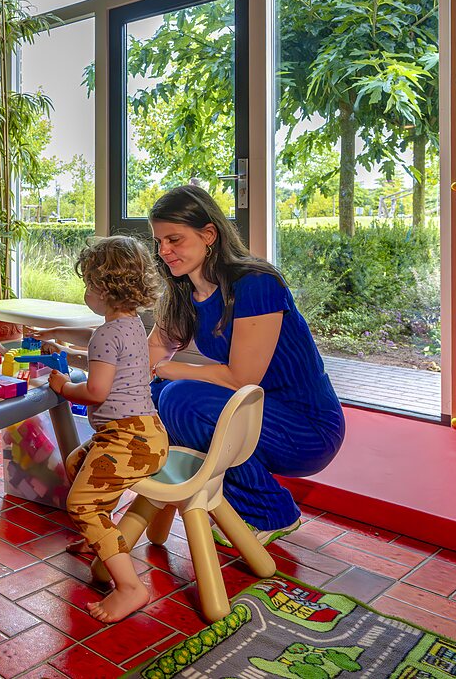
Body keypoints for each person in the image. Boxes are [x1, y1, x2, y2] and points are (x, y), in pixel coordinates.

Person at [146, 185, 345, 544]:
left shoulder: (256, 284)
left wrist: (166, 371)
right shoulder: (184, 293)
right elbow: (156, 347)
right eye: (159, 241)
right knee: (155, 394)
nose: (164, 251)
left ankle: (269, 512)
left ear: (209, 234)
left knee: (179, 398)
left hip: (305, 428)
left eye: (174, 239)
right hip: (255, 413)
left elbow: (241, 379)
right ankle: (202, 496)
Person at [46, 235, 168, 623]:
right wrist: (67, 348)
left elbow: (96, 391)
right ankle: (97, 536)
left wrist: (65, 387)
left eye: (87, 283)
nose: (85, 291)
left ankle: (131, 588)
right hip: (148, 435)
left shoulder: (106, 333)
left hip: (125, 440)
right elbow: (107, 360)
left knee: (81, 503)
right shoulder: (132, 325)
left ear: (102, 287)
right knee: (76, 462)